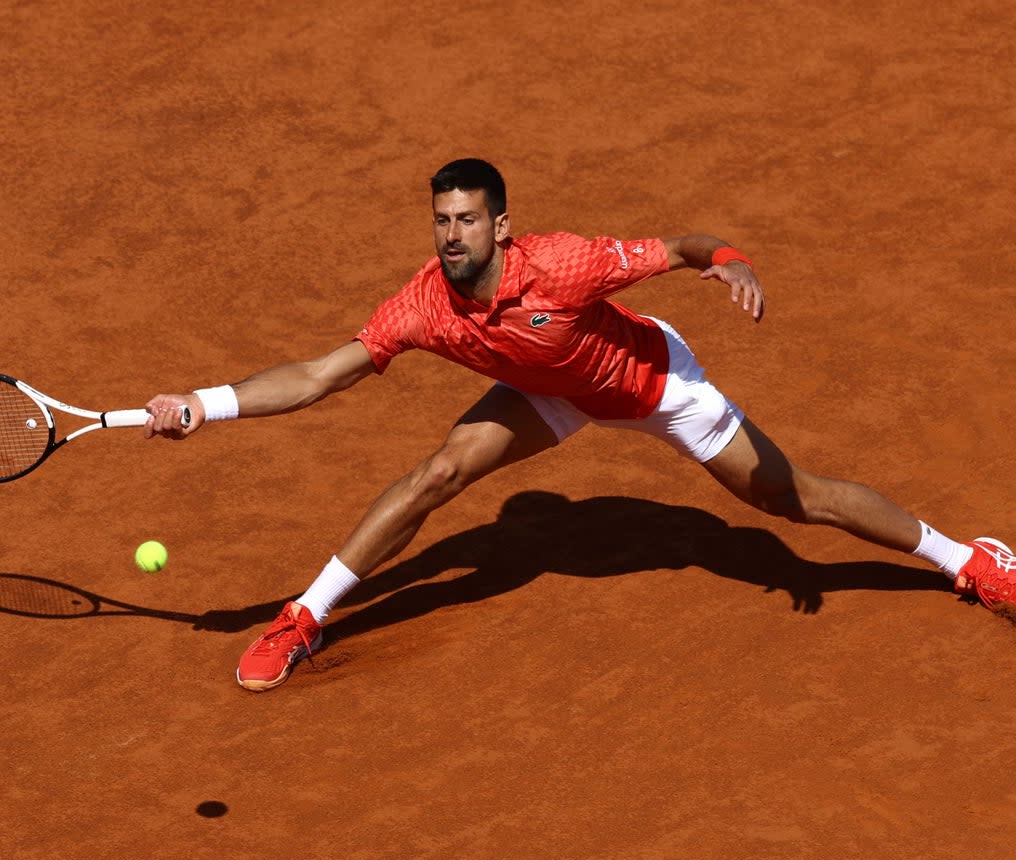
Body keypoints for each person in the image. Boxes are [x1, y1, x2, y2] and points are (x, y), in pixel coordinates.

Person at [142, 157, 1015, 692]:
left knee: (795, 500)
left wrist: (732, 262)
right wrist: (203, 404)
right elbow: (319, 375)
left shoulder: (562, 265)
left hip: (651, 384)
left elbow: (682, 248)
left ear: (501, 225)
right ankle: (305, 617)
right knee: (438, 475)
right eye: (440, 220)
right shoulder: (424, 305)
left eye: (467, 219)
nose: (450, 235)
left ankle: (970, 560)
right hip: (548, 393)